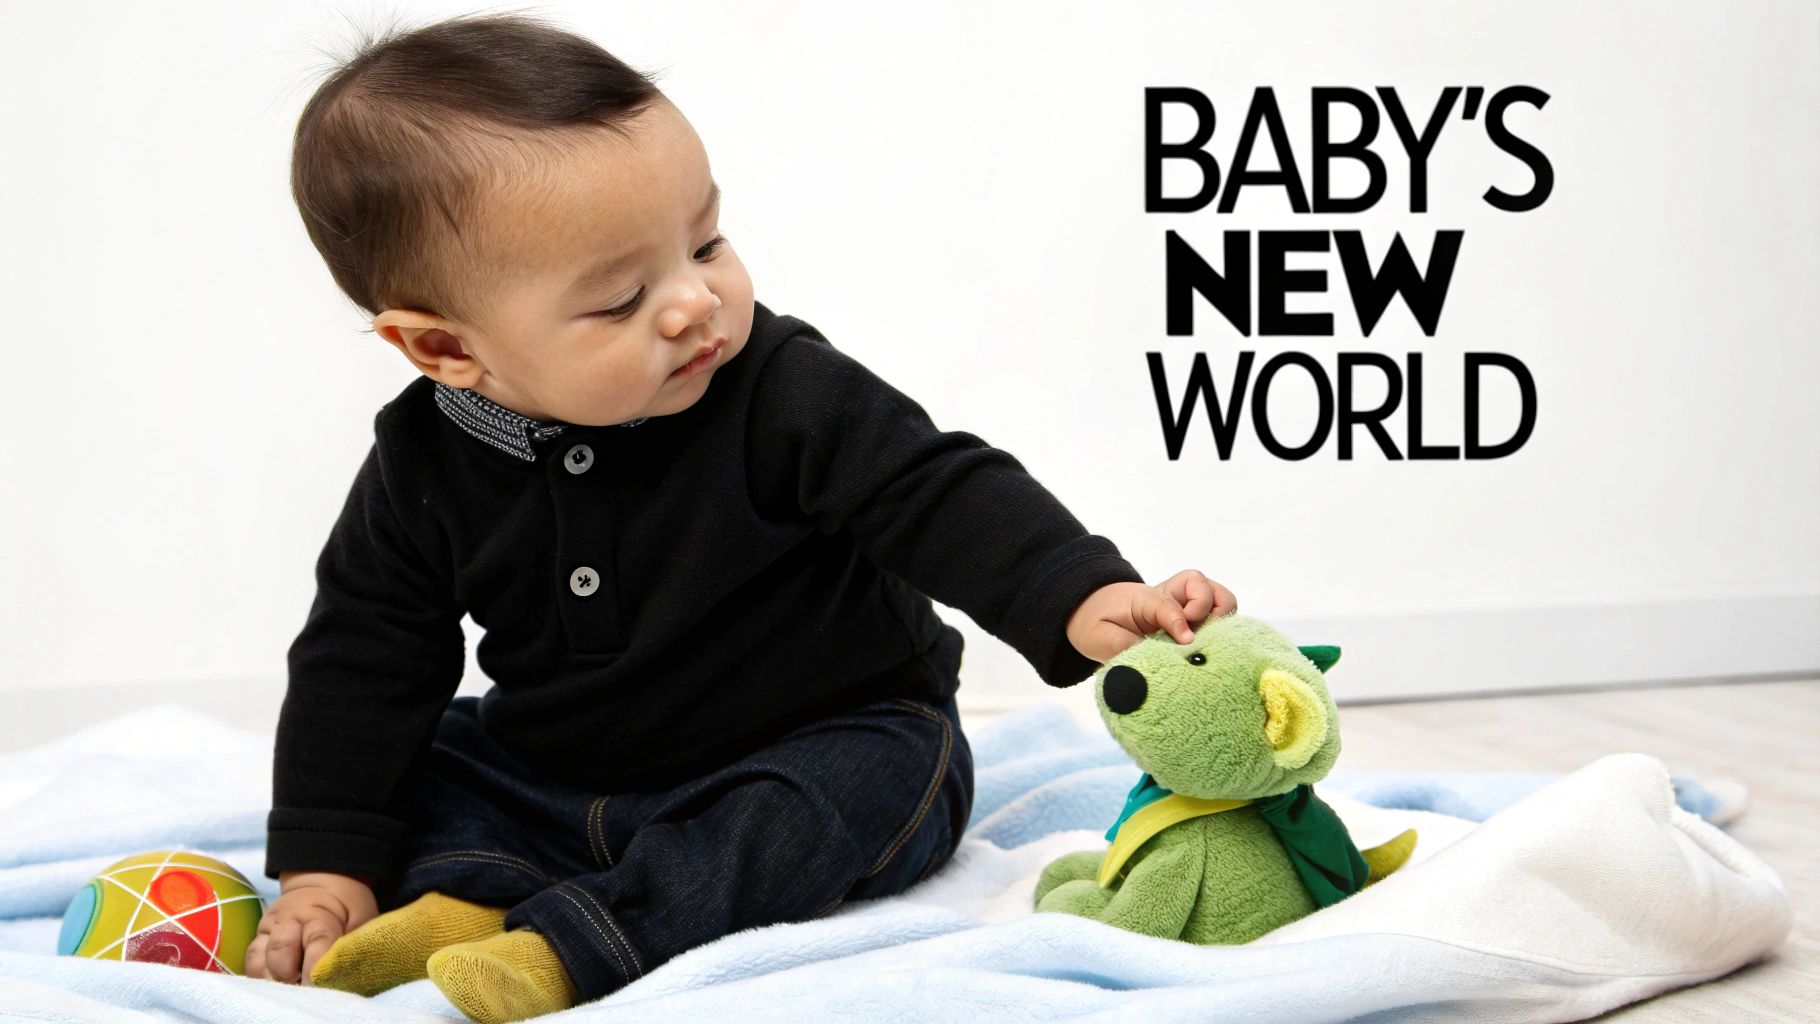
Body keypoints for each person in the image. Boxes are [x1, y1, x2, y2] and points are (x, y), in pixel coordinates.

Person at [243, 11, 1236, 1022]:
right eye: (622, 298)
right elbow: (362, 657)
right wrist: (326, 863)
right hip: (568, 777)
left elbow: (931, 486)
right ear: (446, 351)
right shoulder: (424, 462)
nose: (693, 305)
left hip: (817, 737)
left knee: (862, 786)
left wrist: (1078, 591)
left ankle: (575, 947)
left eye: (705, 242)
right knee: (435, 755)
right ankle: (459, 897)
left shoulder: (778, 388)